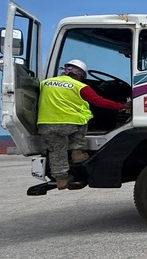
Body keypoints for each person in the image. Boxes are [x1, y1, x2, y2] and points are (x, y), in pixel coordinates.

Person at [37, 59, 130, 189]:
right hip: (69, 123)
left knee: (56, 150)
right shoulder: (80, 86)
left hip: (46, 124)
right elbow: (99, 102)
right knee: (84, 118)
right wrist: (121, 106)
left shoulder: (45, 83)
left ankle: (61, 179)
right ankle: (77, 152)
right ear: (80, 74)